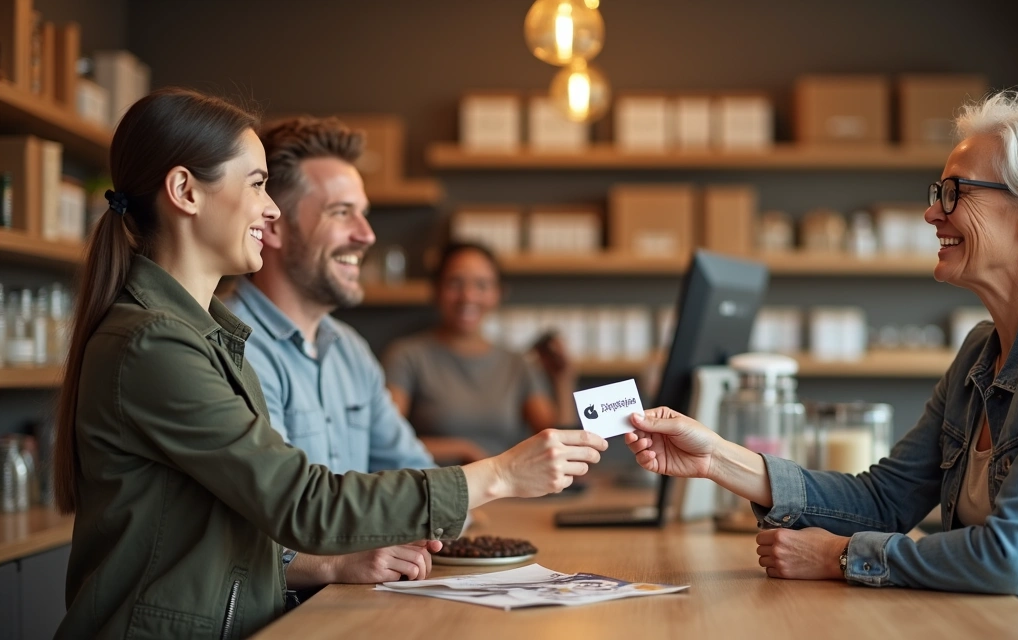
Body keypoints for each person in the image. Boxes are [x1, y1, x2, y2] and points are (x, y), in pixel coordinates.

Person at [622, 91, 1018, 639]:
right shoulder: (982, 353)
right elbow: (885, 500)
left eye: (954, 193)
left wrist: (837, 558)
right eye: (938, 193)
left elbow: (1016, 556)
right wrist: (717, 458)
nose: (933, 214)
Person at [52, 88, 607, 639]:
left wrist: (339, 563)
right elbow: (301, 502)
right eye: (256, 185)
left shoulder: (210, 336)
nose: (268, 210)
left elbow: (223, 534)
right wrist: (501, 473)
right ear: (185, 192)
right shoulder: (153, 345)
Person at [224, 116, 442, 589]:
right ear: (274, 226)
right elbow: (252, 534)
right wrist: (335, 563)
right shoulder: (230, 343)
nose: (366, 234)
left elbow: (418, 476)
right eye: (341, 212)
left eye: (363, 212)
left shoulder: (350, 350)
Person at [381, 242, 578, 462]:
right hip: (434, 490)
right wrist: (462, 450)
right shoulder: (407, 356)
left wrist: (563, 379)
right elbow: (386, 439)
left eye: (482, 285)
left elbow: (556, 444)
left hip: (506, 494)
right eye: (455, 283)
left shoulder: (517, 364)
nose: (468, 297)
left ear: (498, 294)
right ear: (436, 290)